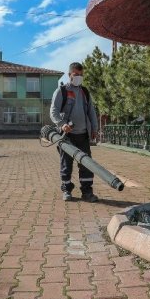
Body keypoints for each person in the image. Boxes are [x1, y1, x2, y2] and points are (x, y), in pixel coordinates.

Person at [50, 62, 99, 202]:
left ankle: (87, 192)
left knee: (86, 164)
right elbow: (53, 111)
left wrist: (94, 129)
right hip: (67, 136)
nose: (79, 77)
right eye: (76, 75)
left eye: (81, 75)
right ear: (69, 74)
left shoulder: (85, 92)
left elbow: (91, 112)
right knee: (66, 164)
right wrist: (62, 124)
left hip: (83, 135)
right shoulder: (62, 91)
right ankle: (67, 190)